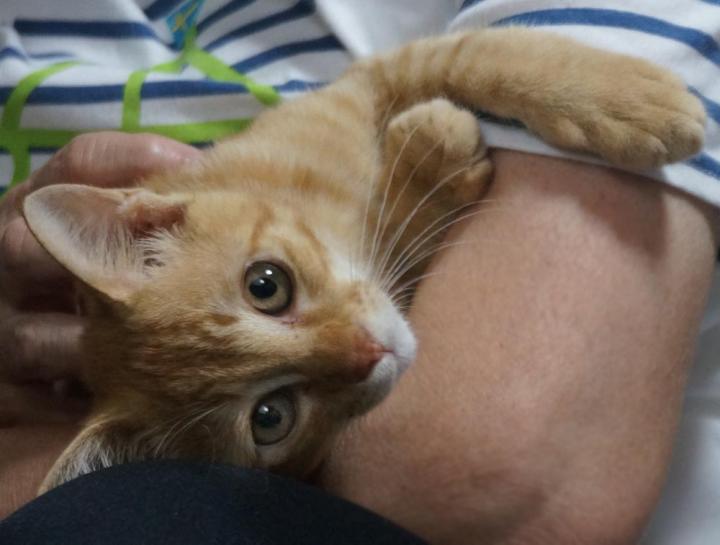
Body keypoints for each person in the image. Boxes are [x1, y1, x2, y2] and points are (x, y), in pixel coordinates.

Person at [1, 2, 719, 544]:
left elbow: (478, 474)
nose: (358, 355)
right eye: (272, 416)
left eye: (267, 288)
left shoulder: (277, 170)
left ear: (151, 226)